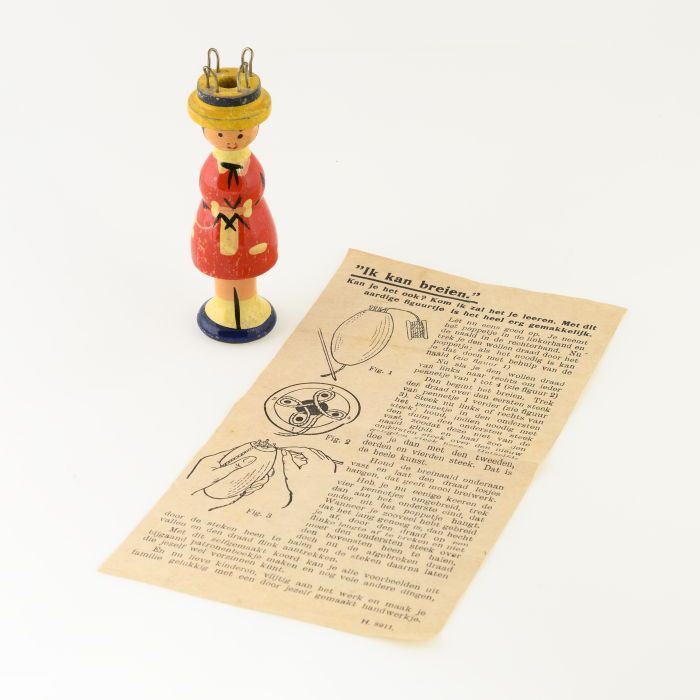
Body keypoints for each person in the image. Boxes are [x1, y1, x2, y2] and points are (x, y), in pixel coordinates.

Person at [187, 48, 278, 342]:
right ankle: (225, 307)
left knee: (246, 265)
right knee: (223, 267)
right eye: (221, 134)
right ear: (205, 130)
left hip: (250, 223)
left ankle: (248, 305)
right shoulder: (210, 168)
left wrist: (246, 205)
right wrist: (219, 207)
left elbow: (255, 186)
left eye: (239, 134)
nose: (230, 141)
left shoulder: (252, 166)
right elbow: (207, 186)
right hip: (216, 223)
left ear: (255, 128)